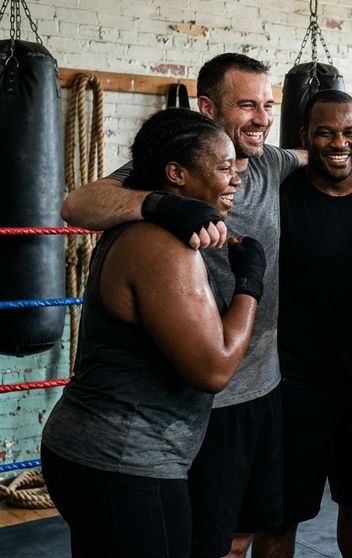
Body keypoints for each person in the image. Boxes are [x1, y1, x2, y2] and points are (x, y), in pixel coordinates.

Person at [60, 53, 302, 558]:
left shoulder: (267, 163)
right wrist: (159, 204)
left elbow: (315, 154)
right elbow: (76, 205)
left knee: (247, 531)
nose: (261, 117)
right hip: (172, 417)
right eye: (246, 105)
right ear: (208, 107)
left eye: (268, 104)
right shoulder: (172, 178)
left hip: (254, 387)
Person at [41, 109, 263, 557]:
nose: (235, 178)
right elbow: (214, 369)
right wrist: (250, 284)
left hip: (92, 452)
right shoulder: (162, 247)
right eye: (223, 168)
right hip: (126, 460)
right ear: (177, 174)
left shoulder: (135, 228)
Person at [258, 90, 352, 557]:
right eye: (326, 132)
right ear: (304, 138)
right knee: (281, 515)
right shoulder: (284, 198)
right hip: (294, 381)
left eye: (349, 133)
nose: (339, 142)